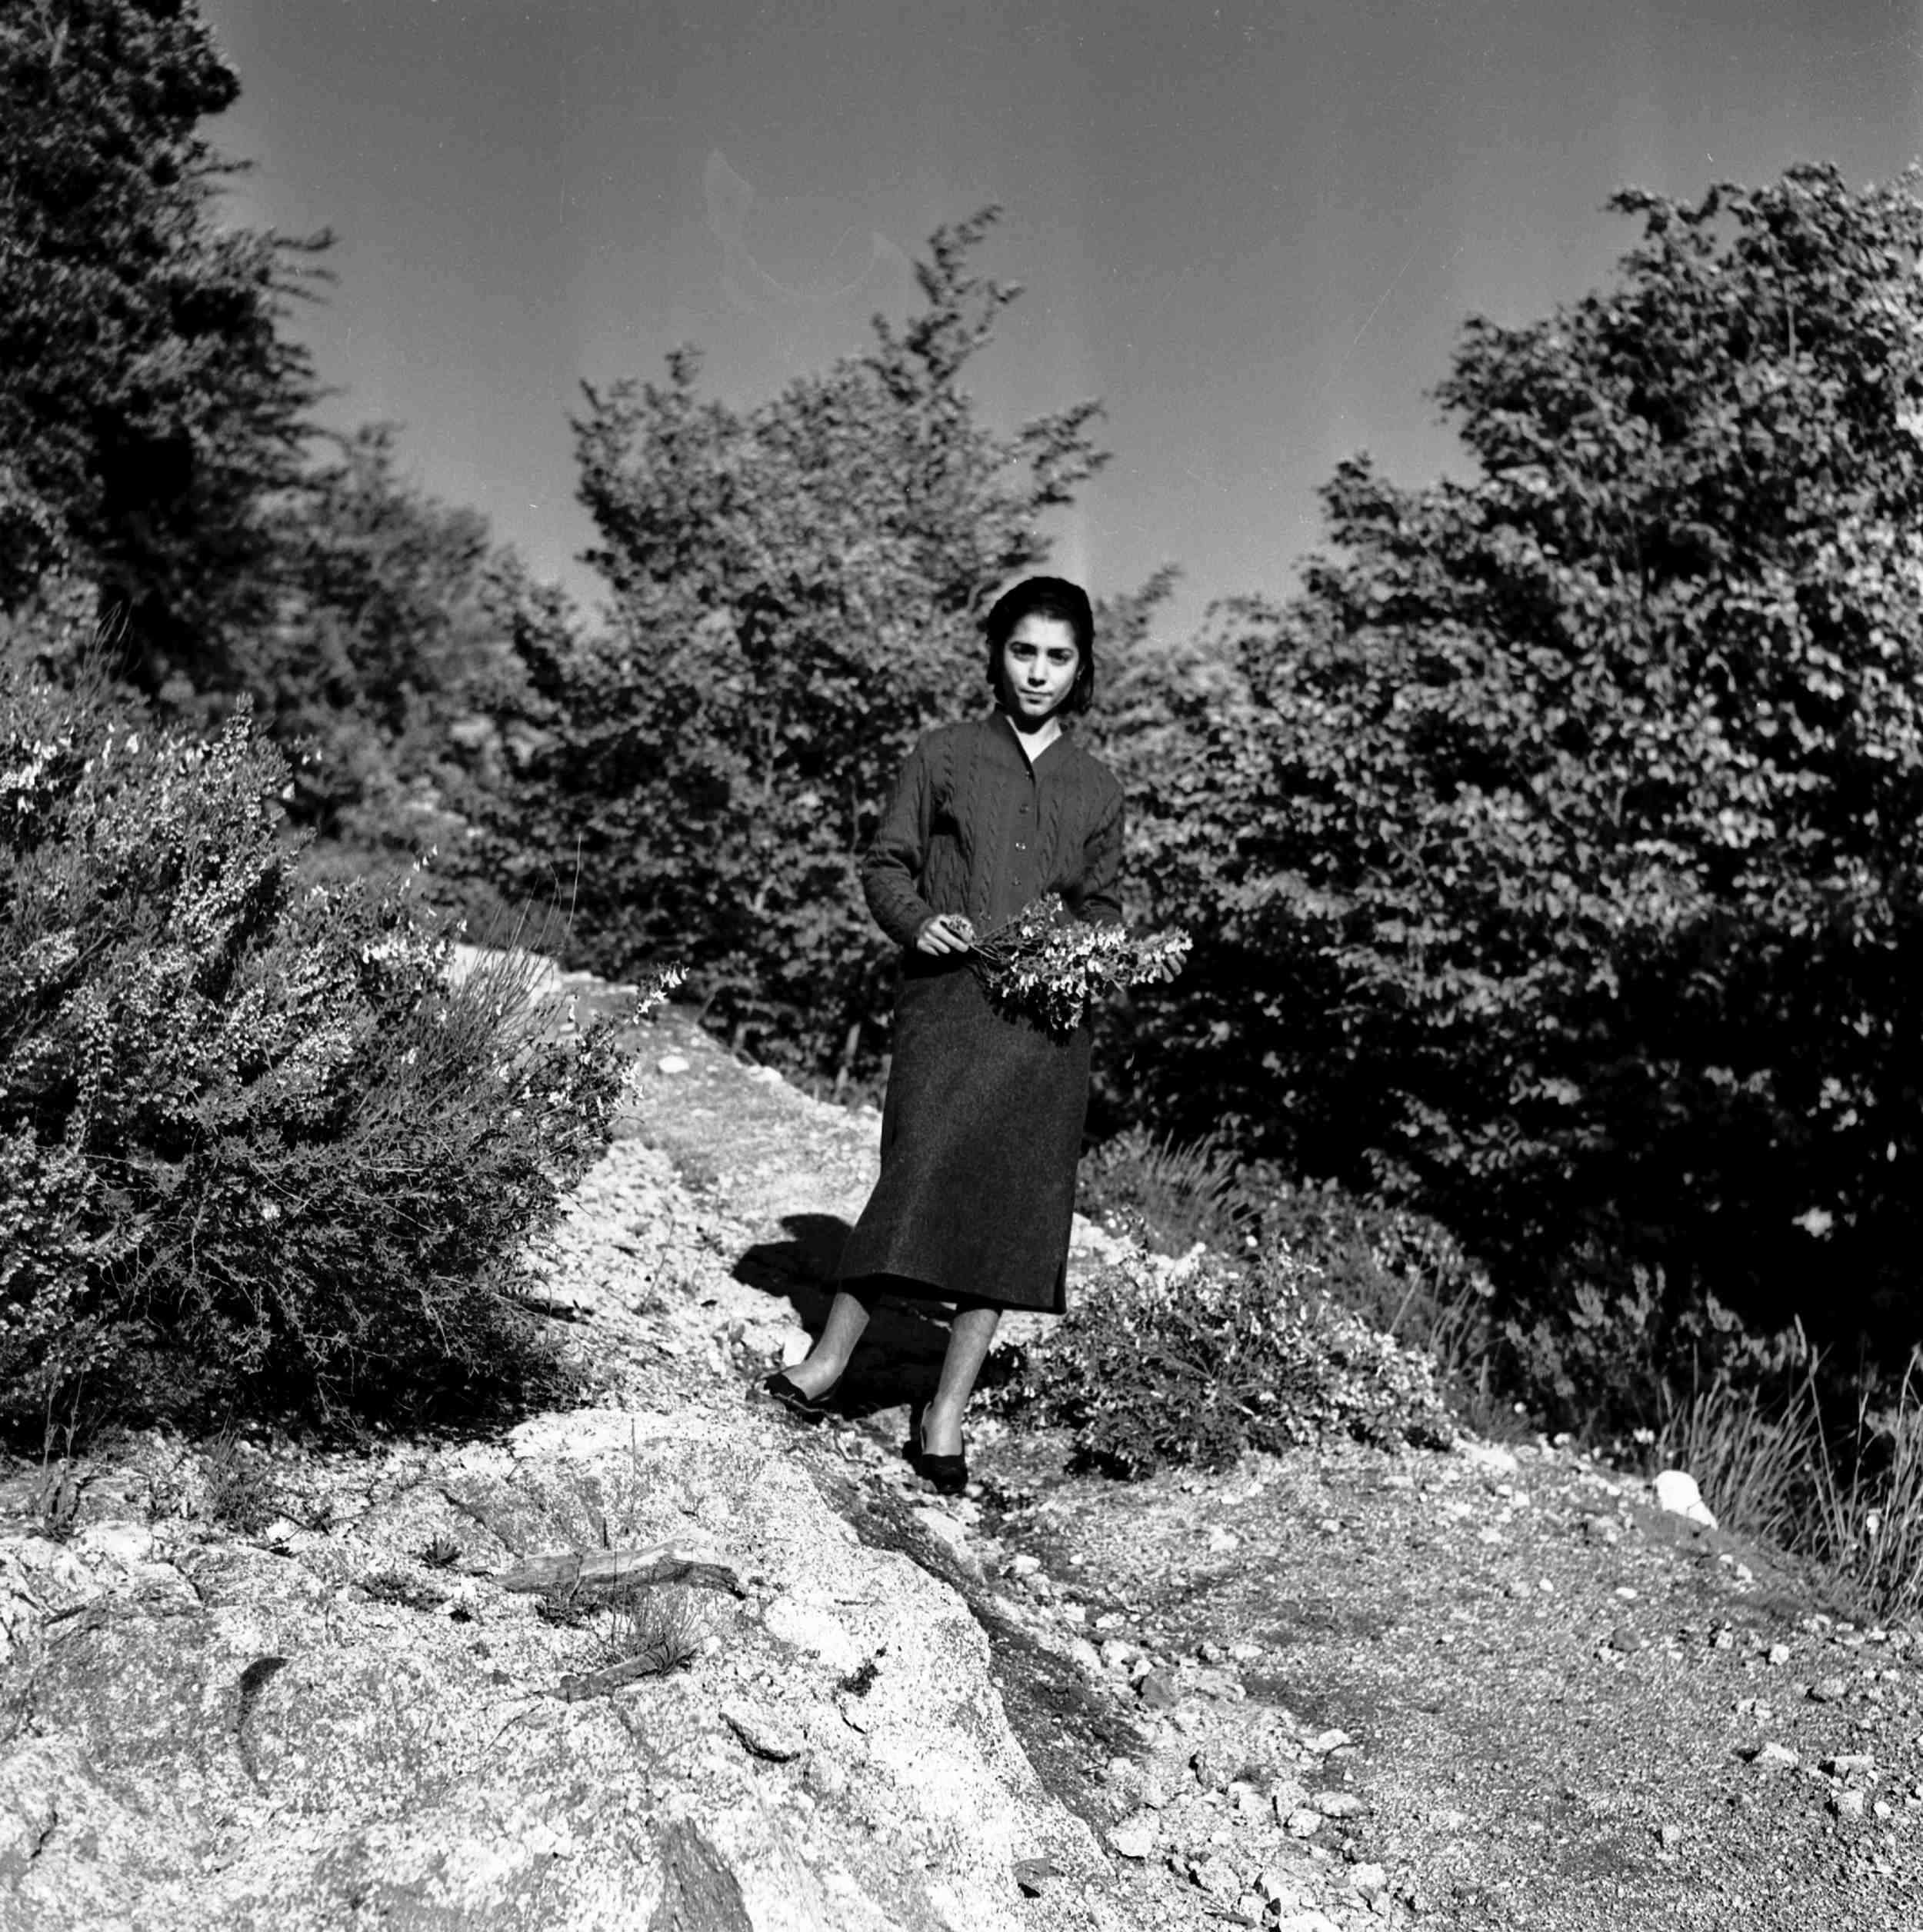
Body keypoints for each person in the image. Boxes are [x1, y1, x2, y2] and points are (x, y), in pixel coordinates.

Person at [759, 575, 1125, 1492]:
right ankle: (827, 1362)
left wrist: (1086, 952)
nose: (1037, 672)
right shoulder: (943, 753)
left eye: (1058, 657)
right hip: (947, 1002)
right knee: (915, 1172)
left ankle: (946, 1411)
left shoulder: (1098, 786)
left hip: (1045, 1025)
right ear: (995, 655)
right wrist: (918, 922)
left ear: (1081, 670)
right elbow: (885, 862)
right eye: (1022, 650)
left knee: (1011, 1207)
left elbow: (1104, 906)